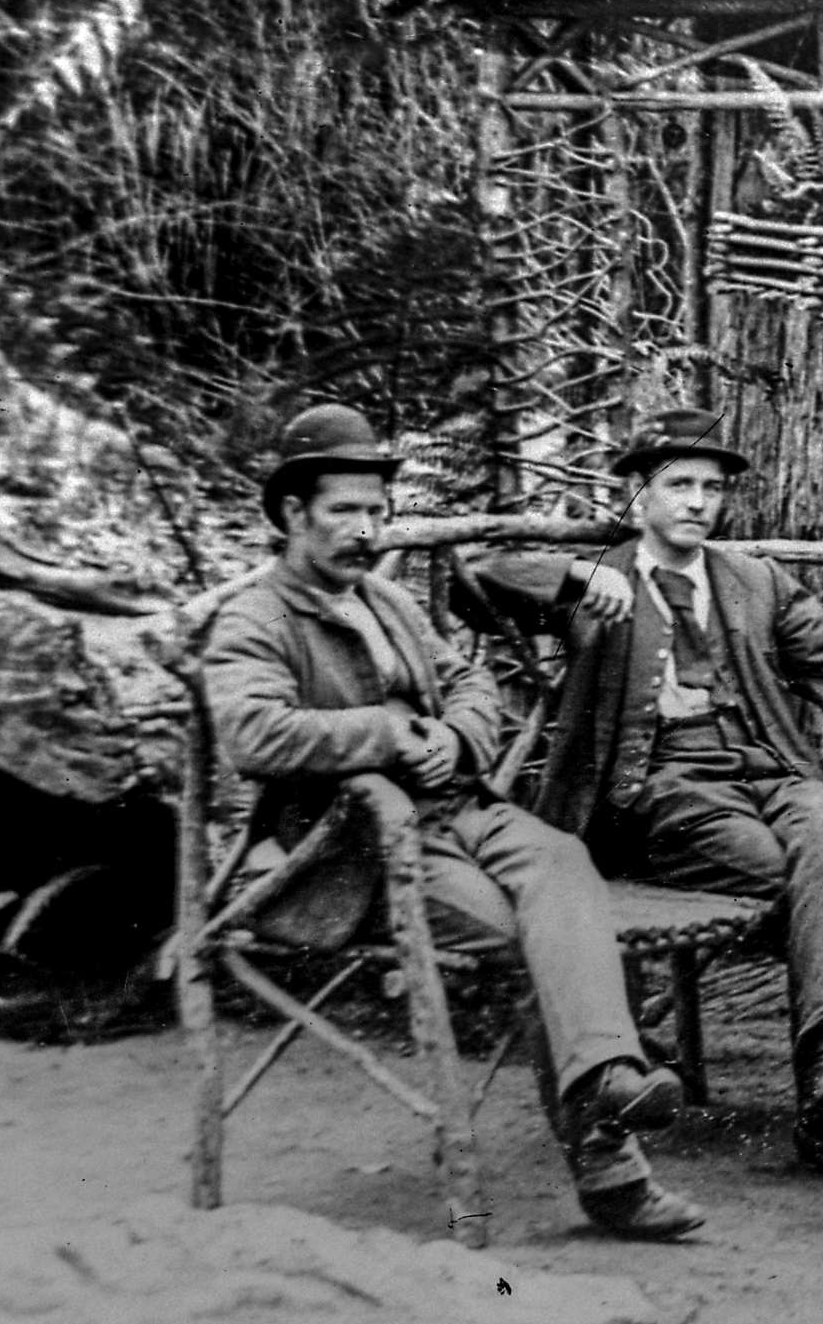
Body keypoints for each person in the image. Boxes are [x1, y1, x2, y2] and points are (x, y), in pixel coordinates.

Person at [200, 405, 703, 1241]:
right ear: (292, 514)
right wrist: (394, 735)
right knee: (532, 933)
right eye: (345, 512)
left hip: (457, 808)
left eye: (376, 511)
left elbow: (467, 683)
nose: (367, 530)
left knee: (560, 858)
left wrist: (458, 735)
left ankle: (610, 1074)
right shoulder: (256, 620)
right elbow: (252, 732)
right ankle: (610, 1165)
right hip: (353, 846)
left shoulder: (388, 600)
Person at [475, 409, 823, 1186]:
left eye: (711, 489)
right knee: (800, 871)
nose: (697, 503)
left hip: (767, 768)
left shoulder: (754, 581)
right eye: (678, 485)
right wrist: (578, 576)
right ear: (638, 493)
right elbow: (481, 579)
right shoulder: (601, 578)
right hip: (658, 789)